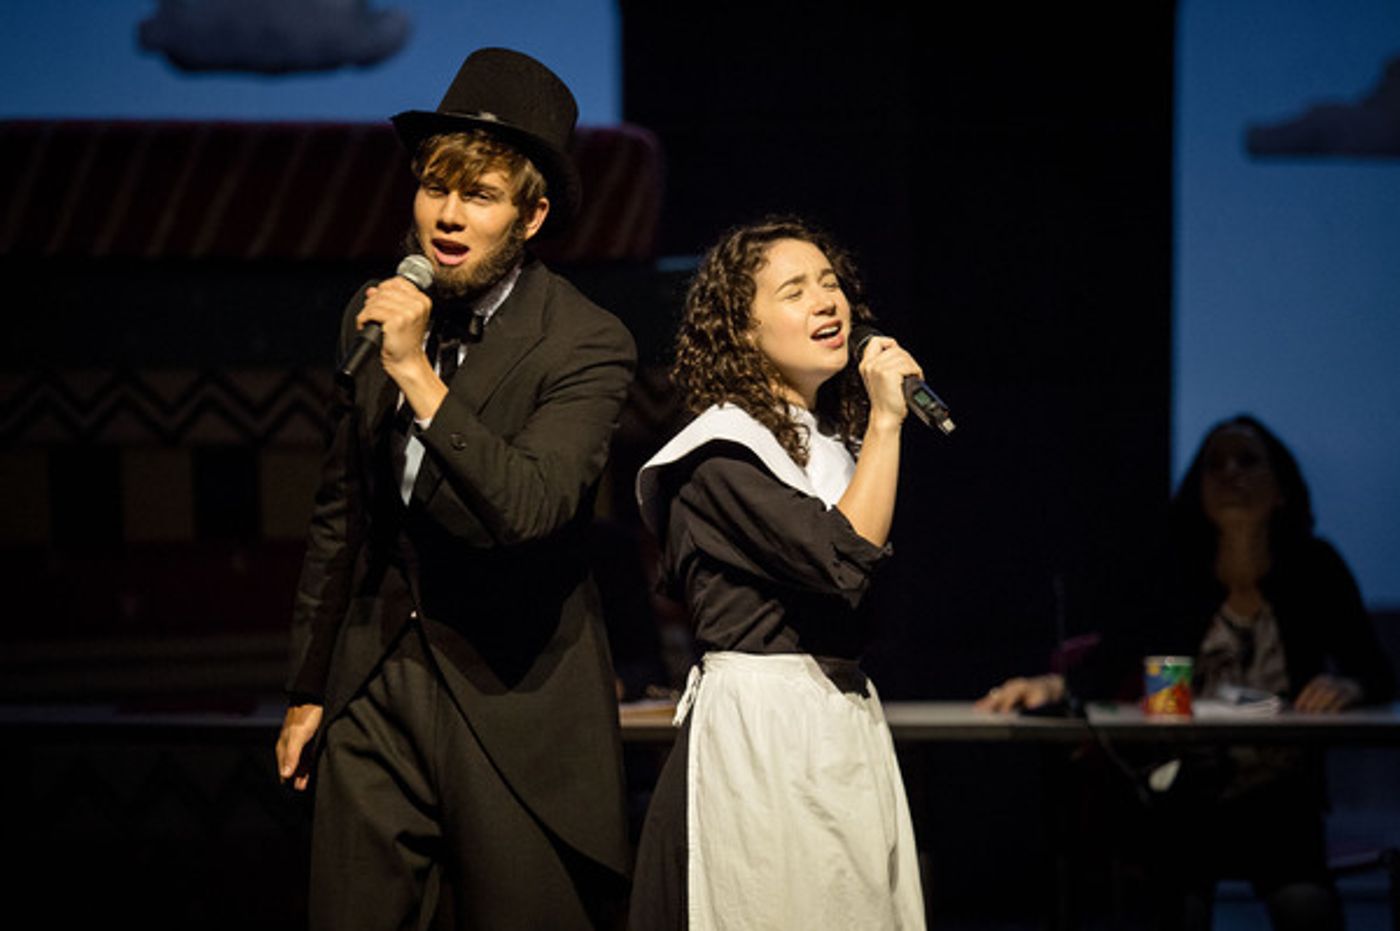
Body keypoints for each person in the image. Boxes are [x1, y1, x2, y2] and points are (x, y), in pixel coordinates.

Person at [273, 48, 635, 930]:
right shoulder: (382, 312)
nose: (446, 214)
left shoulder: (587, 342)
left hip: (513, 695)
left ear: (532, 214)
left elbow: (534, 507)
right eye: (436, 187)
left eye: (478, 195)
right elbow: (343, 516)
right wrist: (310, 685)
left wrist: (419, 379)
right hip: (377, 681)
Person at [978, 414, 1395, 930]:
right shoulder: (1175, 568)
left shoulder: (1315, 568)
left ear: (1281, 488)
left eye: (1247, 460)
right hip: (1185, 796)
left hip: (1283, 801)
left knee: (1307, 910)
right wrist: (1053, 685)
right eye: (1214, 465)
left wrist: (1349, 685)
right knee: (1174, 911)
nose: (1230, 474)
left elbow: (1377, 670)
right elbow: (1118, 658)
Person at [629, 217, 928, 930]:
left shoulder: (829, 444)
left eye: (831, 284)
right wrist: (888, 424)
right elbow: (843, 559)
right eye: (794, 290)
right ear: (743, 328)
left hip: (839, 722)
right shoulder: (719, 455)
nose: (827, 302)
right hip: (763, 733)